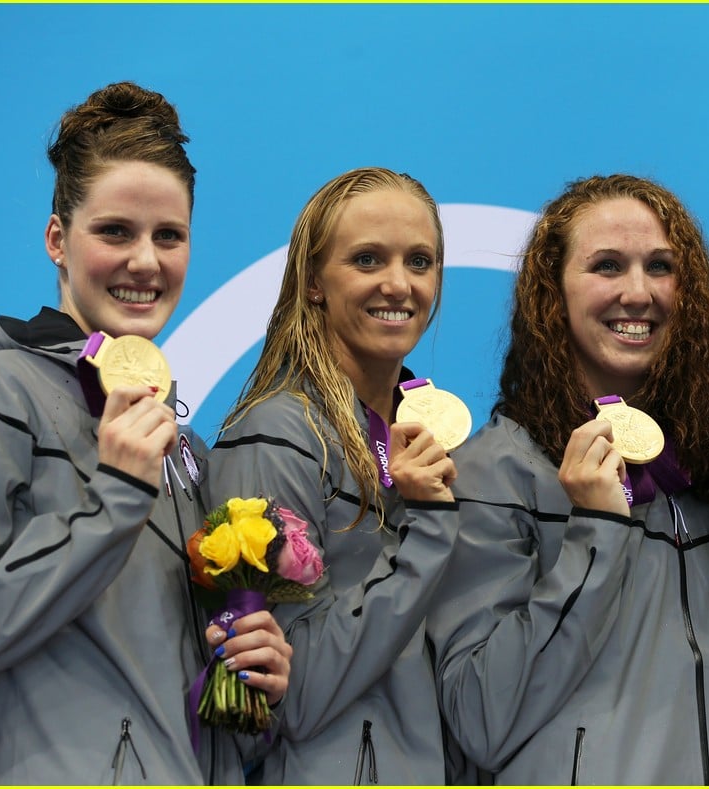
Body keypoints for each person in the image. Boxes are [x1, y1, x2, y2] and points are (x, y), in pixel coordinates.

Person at [0, 81, 292, 784]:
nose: (145, 261)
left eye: (169, 236)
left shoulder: (182, 451)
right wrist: (112, 498)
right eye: (115, 232)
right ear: (56, 240)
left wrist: (251, 681)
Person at [428, 174, 709, 784]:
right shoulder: (492, 471)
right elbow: (479, 718)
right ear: (551, 295)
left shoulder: (704, 468)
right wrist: (595, 531)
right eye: (608, 266)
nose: (638, 292)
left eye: (661, 267)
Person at [207, 167, 461, 784]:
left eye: (420, 261)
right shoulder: (275, 437)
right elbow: (289, 696)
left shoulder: (428, 439)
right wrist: (428, 527)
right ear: (315, 281)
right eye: (368, 259)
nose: (399, 284)